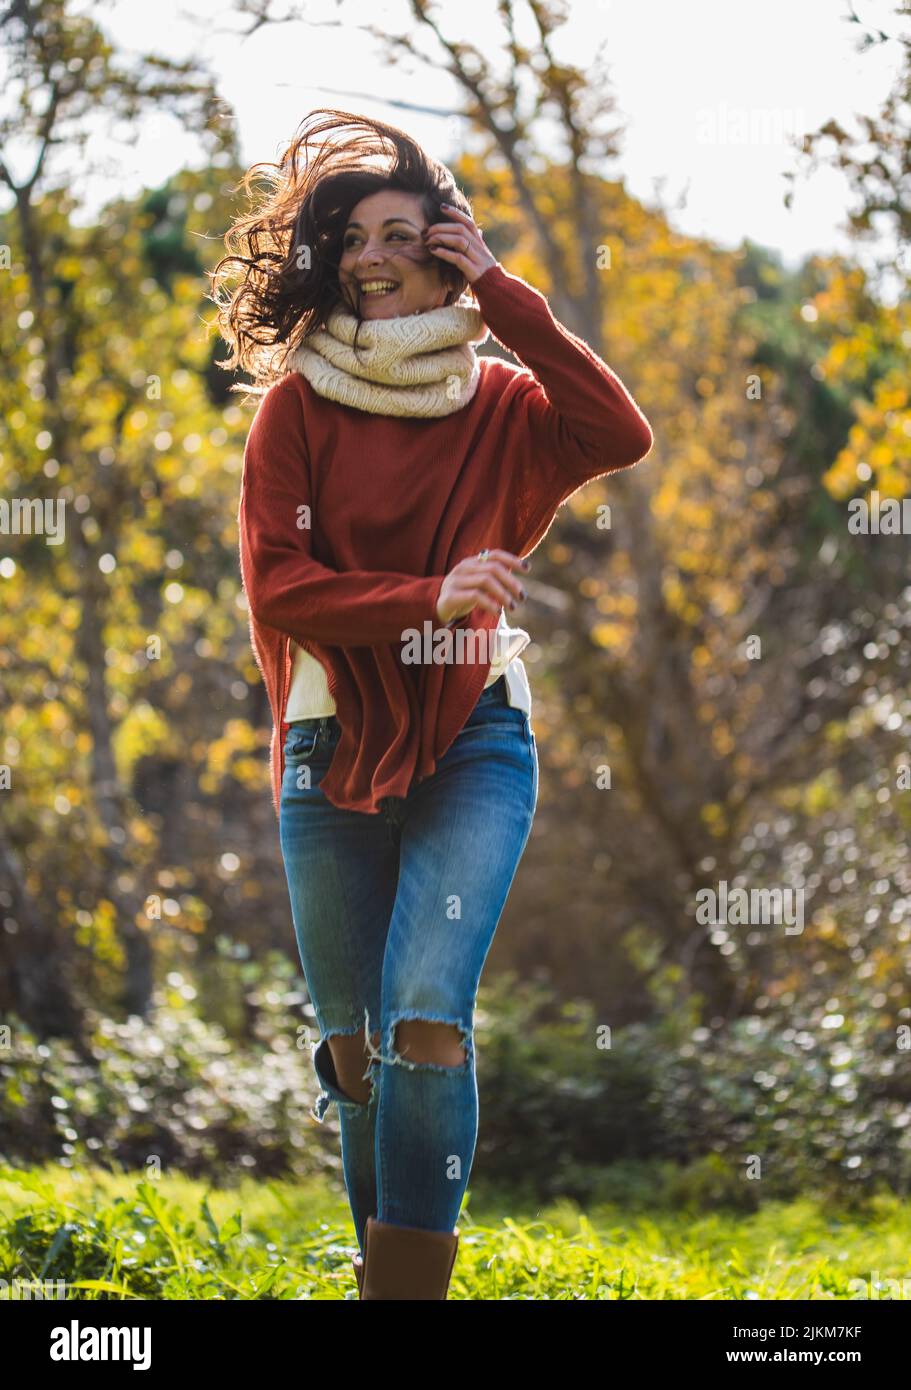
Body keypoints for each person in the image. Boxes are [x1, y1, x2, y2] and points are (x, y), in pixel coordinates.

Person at [210, 109, 654, 1300]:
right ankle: (377, 1268)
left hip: (475, 737)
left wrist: (504, 291)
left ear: (442, 246)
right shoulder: (291, 412)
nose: (369, 255)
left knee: (420, 1013)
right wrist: (427, 591)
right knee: (353, 1045)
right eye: (349, 237)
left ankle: (401, 1295)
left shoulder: (505, 408)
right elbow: (281, 586)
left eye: (400, 233)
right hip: (326, 739)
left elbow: (617, 430)